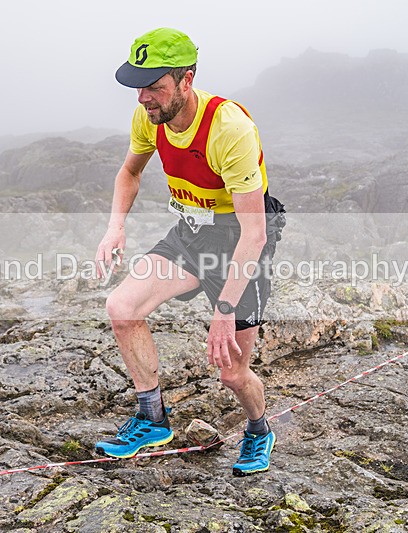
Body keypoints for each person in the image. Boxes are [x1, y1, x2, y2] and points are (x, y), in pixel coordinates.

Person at [94, 27, 285, 476]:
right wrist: (115, 227)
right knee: (121, 307)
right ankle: (152, 418)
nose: (144, 98)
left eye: (155, 86)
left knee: (233, 373)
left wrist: (223, 309)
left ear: (186, 79)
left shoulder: (230, 129)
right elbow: (130, 171)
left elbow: (253, 234)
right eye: (139, 86)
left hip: (240, 238)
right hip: (190, 231)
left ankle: (259, 430)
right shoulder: (150, 117)